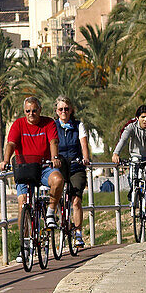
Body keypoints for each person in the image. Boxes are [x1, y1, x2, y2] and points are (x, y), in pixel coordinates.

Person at [0, 96, 63, 231]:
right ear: (24, 111)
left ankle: (51, 212)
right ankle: (25, 243)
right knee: (23, 204)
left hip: (44, 168)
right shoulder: (18, 124)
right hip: (25, 169)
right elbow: (11, 143)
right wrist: (5, 160)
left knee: (58, 180)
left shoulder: (49, 123)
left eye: (34, 111)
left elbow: (53, 141)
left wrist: (54, 157)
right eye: (27, 111)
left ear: (40, 110)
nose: (31, 114)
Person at [111, 104, 146, 228]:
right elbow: (123, 140)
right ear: (137, 118)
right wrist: (116, 153)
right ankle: (134, 194)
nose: (145, 120)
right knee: (132, 175)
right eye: (142, 117)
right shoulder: (131, 126)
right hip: (137, 157)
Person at [54, 95, 91, 248]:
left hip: (76, 165)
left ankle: (78, 234)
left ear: (71, 111)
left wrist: (86, 158)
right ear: (56, 111)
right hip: (60, 165)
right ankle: (60, 218)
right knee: (55, 193)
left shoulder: (78, 125)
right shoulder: (53, 126)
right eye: (61, 109)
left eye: (66, 109)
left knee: (76, 200)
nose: (64, 111)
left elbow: (83, 144)